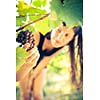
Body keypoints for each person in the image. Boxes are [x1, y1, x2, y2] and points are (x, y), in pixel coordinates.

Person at [19, 22, 82, 100]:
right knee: (25, 93)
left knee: (38, 94)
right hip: (26, 64)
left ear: (71, 39)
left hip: (41, 66)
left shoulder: (61, 46)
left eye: (67, 35)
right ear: (54, 26)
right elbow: (24, 60)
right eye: (59, 30)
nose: (59, 38)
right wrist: (29, 79)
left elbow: (46, 60)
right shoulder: (37, 36)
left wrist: (33, 76)